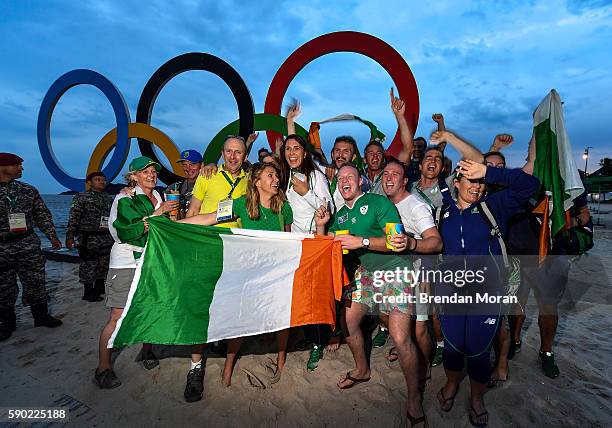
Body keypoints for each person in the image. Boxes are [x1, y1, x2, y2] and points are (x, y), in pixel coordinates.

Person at [314, 163, 425, 427]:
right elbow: (327, 249)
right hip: (367, 273)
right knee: (348, 322)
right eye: (340, 178)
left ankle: (414, 398)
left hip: (396, 270)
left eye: (350, 176)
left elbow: (398, 243)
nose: (344, 181)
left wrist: (361, 242)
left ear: (360, 181)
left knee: (400, 336)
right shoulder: (340, 216)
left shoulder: (378, 203)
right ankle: (362, 370)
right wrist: (321, 227)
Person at [433, 159, 538, 427]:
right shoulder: (441, 212)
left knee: (479, 351)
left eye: (481, 182)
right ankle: (452, 383)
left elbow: (530, 186)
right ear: (456, 182)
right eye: (471, 181)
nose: (477, 188)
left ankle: (477, 398)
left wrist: (489, 172)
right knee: (454, 347)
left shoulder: (493, 207)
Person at [181, 162, 293, 386]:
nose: (276, 179)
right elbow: (208, 218)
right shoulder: (241, 204)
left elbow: (289, 240)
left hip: (276, 271)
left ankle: (281, 361)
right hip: (249, 271)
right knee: (241, 318)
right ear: (257, 181)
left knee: (282, 319)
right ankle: (229, 365)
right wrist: (178, 224)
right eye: (270, 175)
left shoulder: (284, 206)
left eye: (276, 175)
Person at [94, 156, 178, 389]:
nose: (151, 174)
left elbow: (161, 229)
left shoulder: (159, 196)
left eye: (153, 171)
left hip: (151, 261)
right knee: (117, 317)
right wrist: (159, 212)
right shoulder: (124, 198)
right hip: (126, 263)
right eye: (145, 171)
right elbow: (126, 232)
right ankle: (103, 367)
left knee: (149, 309)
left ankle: (147, 351)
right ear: (133, 176)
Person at [182, 135, 248, 401]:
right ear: (222, 153)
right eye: (229, 152)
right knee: (200, 308)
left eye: (239, 153)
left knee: (228, 305)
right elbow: (192, 211)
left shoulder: (250, 179)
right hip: (207, 250)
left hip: (237, 253)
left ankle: (220, 341)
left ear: (245, 155)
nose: (233, 157)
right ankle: (195, 367)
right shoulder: (207, 175)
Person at [381, 159, 443, 396]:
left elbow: (436, 242)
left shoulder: (415, 205)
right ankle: (408, 350)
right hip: (394, 273)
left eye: (395, 175)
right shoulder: (383, 204)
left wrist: (411, 242)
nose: (388, 178)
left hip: (420, 272)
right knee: (388, 318)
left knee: (419, 329)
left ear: (405, 180)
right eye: (385, 174)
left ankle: (424, 368)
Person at [0, 153, 62, 342]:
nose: (21, 168)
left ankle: (41, 317)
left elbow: (41, 215)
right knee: (4, 287)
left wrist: (52, 235)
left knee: (36, 281)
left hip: (28, 244)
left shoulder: (28, 190)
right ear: (3, 166)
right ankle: (7, 324)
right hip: (2, 248)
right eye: (17, 165)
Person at [65, 171, 114, 302]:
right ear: (90, 182)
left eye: (103, 180)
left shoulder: (108, 198)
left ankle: (99, 287)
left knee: (104, 263)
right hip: (89, 237)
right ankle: (88, 292)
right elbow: (73, 218)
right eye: (97, 179)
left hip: (106, 236)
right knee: (89, 264)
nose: (101, 182)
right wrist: (70, 236)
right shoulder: (81, 197)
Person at [165, 149, 203, 219]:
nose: (188, 168)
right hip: (181, 227)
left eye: (192, 164)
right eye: (184, 165)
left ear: (201, 165)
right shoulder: (175, 187)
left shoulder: (209, 184)